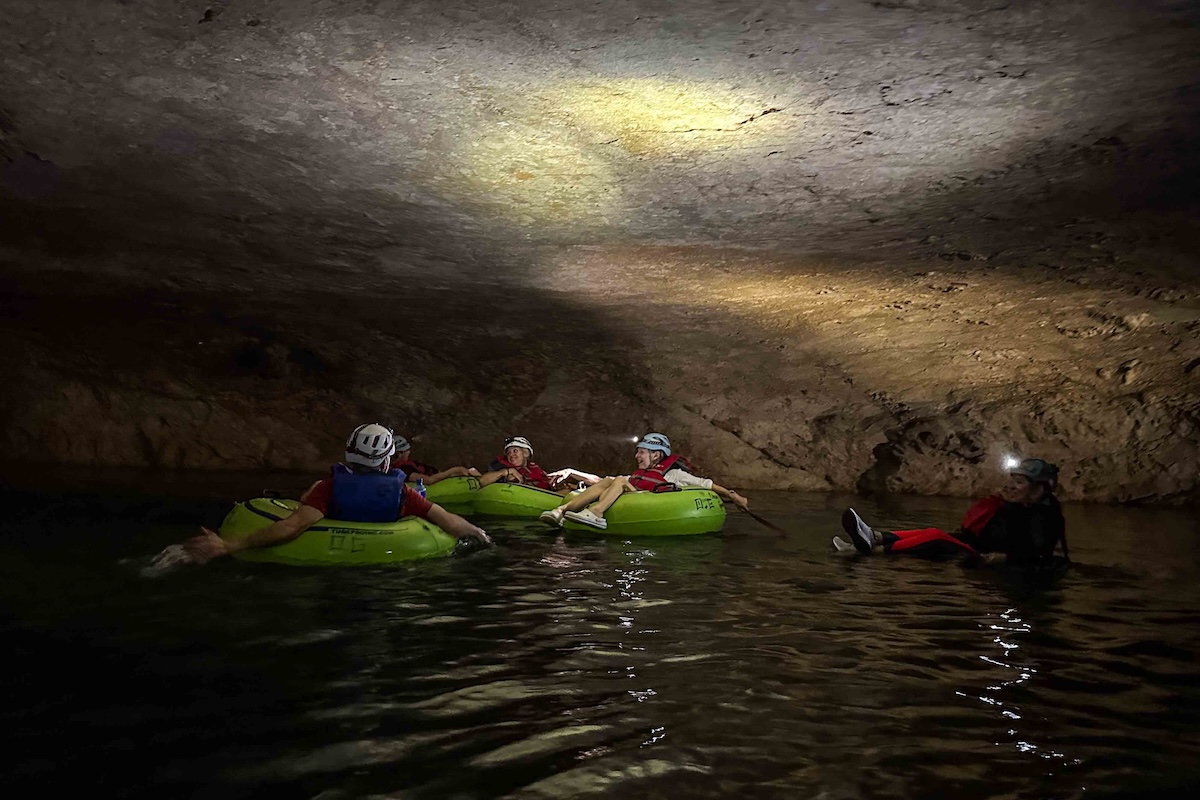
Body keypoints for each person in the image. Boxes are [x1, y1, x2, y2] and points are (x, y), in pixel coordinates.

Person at [169, 423, 491, 565]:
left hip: (320, 552)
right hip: (390, 558)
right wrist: (480, 535)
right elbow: (448, 521)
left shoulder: (328, 488)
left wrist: (232, 543)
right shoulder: (404, 495)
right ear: (387, 460)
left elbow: (291, 526)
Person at [836, 458, 1069, 568]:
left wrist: (1003, 558)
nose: (1010, 487)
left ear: (1039, 489)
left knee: (936, 538)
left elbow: (1038, 553)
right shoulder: (1019, 508)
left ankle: (867, 551)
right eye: (1012, 481)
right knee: (931, 531)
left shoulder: (1044, 517)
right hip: (978, 546)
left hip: (986, 556)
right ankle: (872, 536)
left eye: (1019, 483)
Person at [537, 432, 749, 530]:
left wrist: (734, 496)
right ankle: (562, 511)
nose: (637, 457)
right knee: (612, 480)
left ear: (656, 455)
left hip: (646, 501)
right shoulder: (637, 475)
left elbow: (706, 484)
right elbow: (601, 481)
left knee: (618, 480)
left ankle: (596, 513)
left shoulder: (673, 474)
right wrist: (573, 473)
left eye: (642, 453)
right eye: (638, 452)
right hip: (633, 494)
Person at [391, 434, 480, 486]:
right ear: (399, 454)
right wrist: (454, 470)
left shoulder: (407, 464)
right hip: (433, 485)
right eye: (407, 451)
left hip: (438, 477)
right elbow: (428, 481)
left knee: (469, 471)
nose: (409, 452)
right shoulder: (403, 469)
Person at [477, 436, 555, 490]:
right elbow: (482, 481)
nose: (511, 455)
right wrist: (506, 471)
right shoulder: (500, 466)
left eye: (515, 451)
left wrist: (551, 484)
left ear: (525, 453)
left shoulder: (534, 469)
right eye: (508, 453)